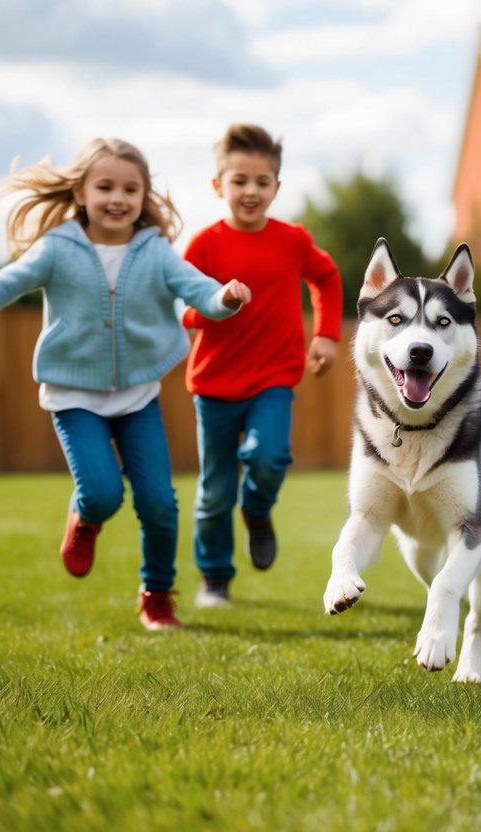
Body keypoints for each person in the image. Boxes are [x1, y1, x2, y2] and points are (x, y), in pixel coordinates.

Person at [0, 138, 251, 632]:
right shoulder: (58, 249)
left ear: (144, 197)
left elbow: (197, 289)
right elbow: (1, 285)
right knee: (101, 493)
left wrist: (224, 297)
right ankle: (85, 517)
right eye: (105, 187)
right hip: (74, 396)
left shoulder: (155, 252)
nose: (117, 198)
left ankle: (157, 598)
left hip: (137, 394)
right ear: (80, 192)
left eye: (130, 189)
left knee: (159, 503)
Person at [181, 123, 342, 609]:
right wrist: (219, 301)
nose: (251, 191)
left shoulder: (292, 240)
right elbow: (185, 309)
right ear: (218, 186)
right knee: (214, 491)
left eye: (262, 181)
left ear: (276, 187)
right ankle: (214, 579)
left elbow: (328, 278)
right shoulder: (204, 246)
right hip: (213, 386)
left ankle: (257, 509)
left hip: (274, 379)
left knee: (270, 457)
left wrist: (327, 336)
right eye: (239, 181)